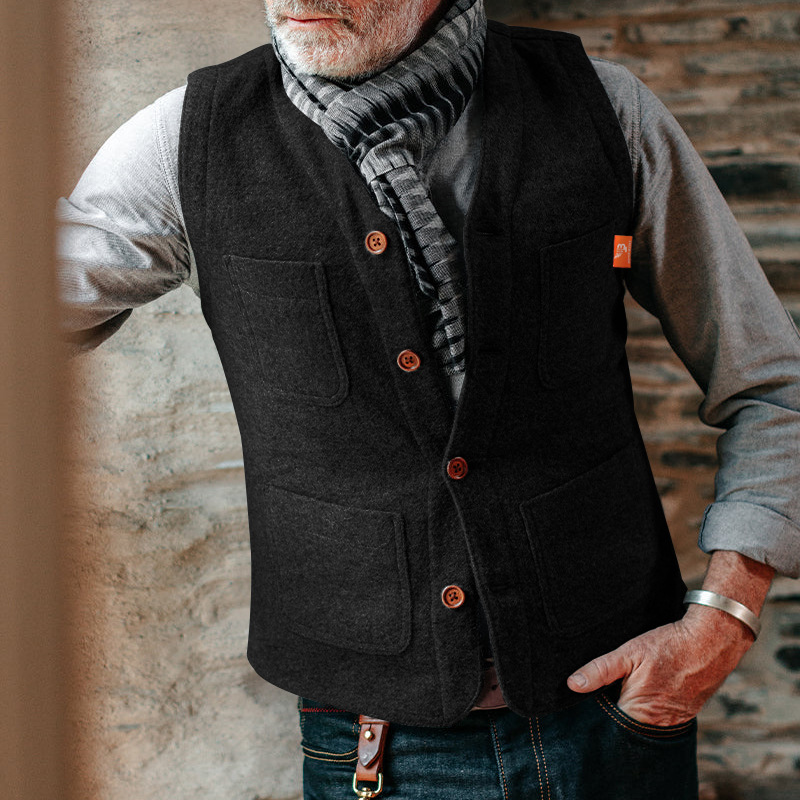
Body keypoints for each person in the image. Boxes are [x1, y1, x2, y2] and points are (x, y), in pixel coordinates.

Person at [56, 0, 800, 797]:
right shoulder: (188, 140)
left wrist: (724, 619)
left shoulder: (606, 109)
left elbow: (772, 381)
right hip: (370, 748)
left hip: (615, 724)